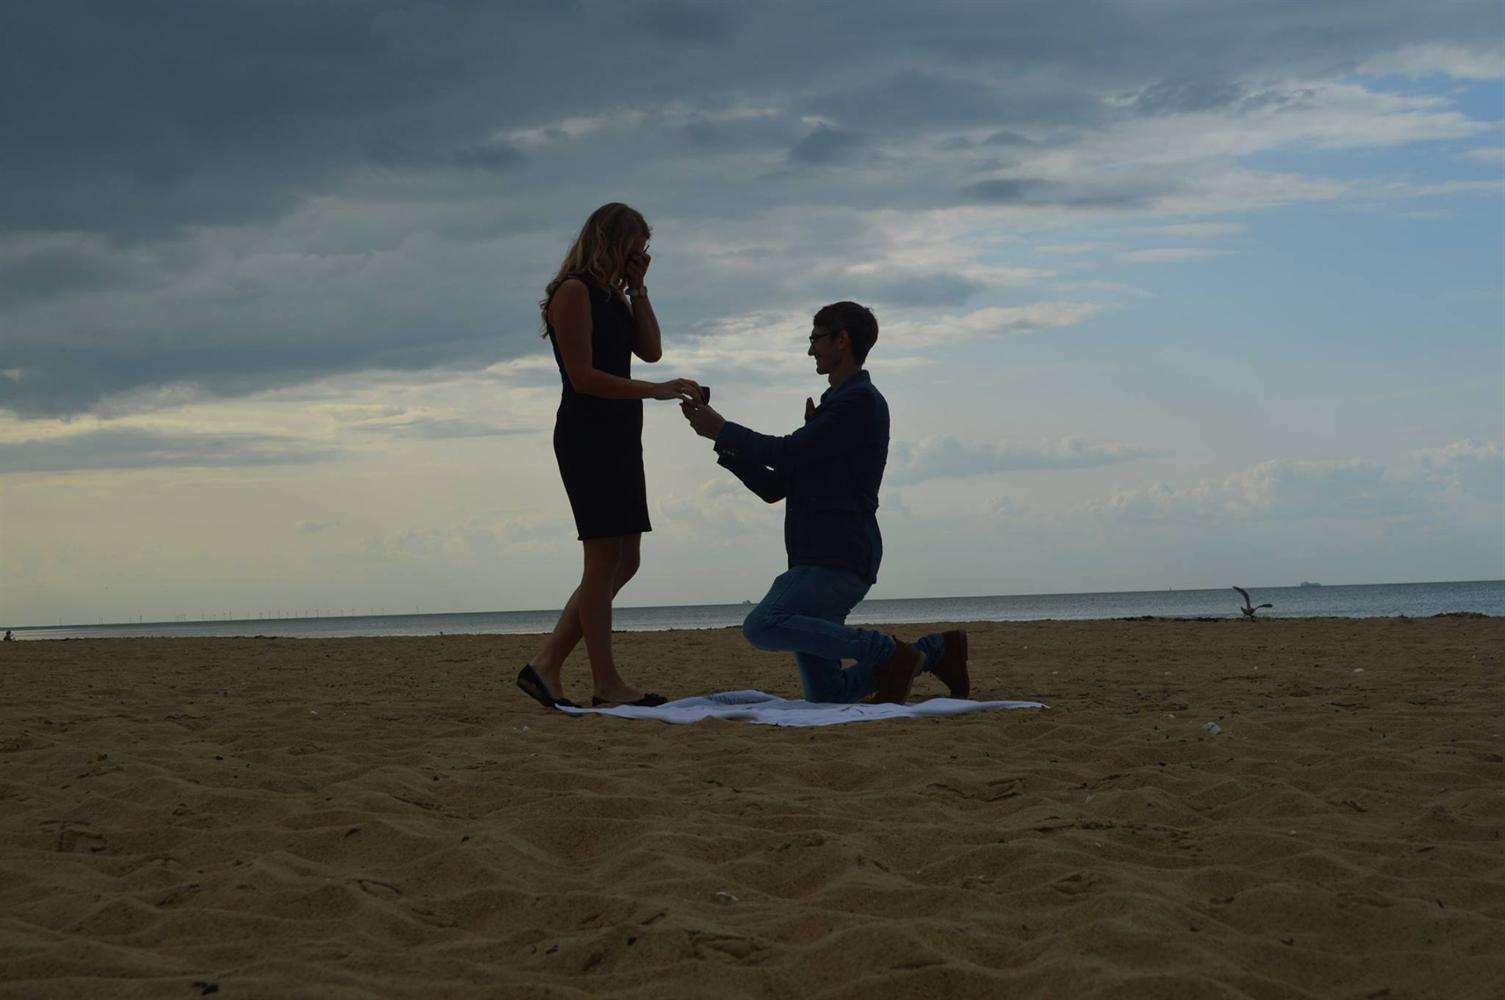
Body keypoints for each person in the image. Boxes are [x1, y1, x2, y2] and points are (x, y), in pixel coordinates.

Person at [680, 301, 968, 704]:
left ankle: (890, 654)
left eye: (815, 339)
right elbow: (773, 485)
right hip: (820, 555)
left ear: (842, 340)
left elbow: (783, 452)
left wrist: (724, 429)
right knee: (829, 696)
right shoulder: (834, 407)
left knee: (762, 625)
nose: (810, 350)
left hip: (837, 554)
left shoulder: (859, 402)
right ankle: (938, 650)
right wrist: (722, 444)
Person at [515, 203, 701, 710]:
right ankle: (605, 682)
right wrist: (656, 392)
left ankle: (547, 663)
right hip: (587, 434)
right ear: (612, 242)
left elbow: (652, 349)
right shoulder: (572, 292)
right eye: (634, 247)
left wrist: (639, 289)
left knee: (626, 559)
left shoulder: (614, 297)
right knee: (601, 559)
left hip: (620, 434)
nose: (640, 256)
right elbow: (583, 377)